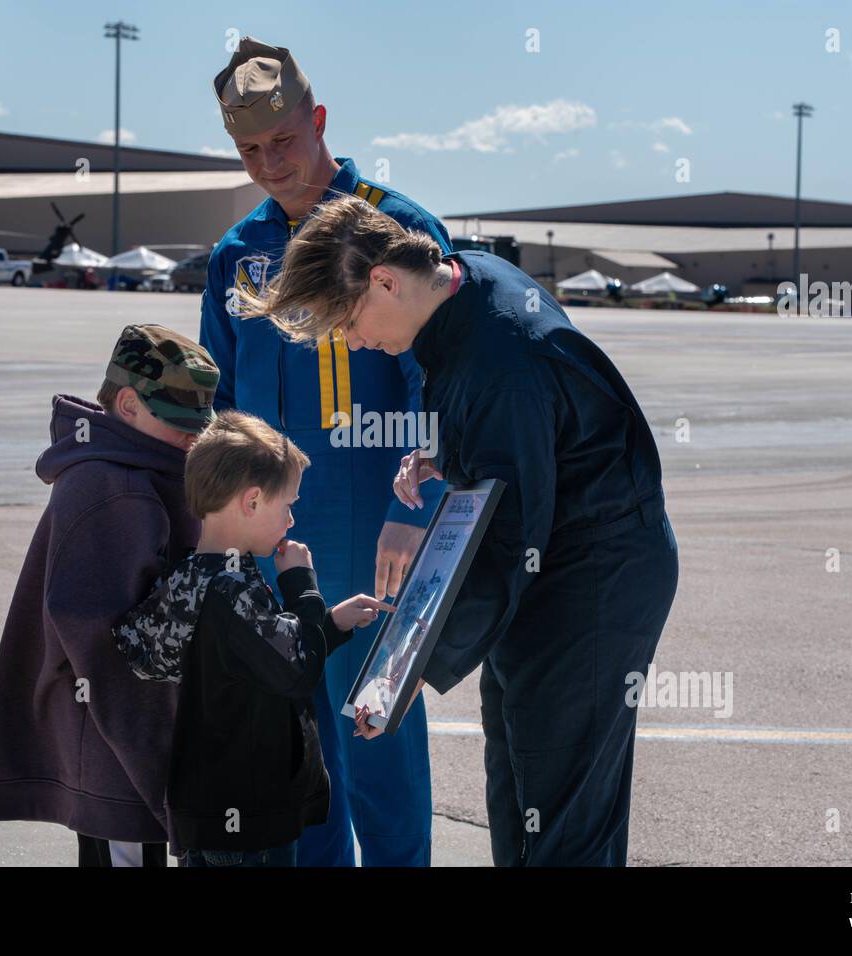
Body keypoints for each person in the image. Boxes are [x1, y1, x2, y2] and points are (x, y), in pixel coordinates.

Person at [235, 195, 680, 866]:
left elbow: (512, 540)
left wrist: (412, 665)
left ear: (384, 279)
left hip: (592, 577)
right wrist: (452, 454)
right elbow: (532, 441)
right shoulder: (463, 281)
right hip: (558, 559)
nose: (355, 342)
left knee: (560, 807)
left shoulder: (501, 356)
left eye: (350, 321)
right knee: (522, 775)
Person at [199, 35, 450, 866]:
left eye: (285, 141)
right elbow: (223, 409)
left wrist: (412, 514)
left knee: (378, 745)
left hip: (379, 539)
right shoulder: (236, 255)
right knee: (297, 756)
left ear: (320, 119)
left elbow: (439, 386)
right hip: (274, 551)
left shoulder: (396, 229)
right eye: (250, 150)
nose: (270, 163)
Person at [0, 325, 220, 867]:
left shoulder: (145, 469)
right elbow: (106, 652)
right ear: (128, 403)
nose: (191, 439)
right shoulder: (117, 488)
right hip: (122, 755)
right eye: (178, 423)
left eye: (198, 426)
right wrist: (162, 776)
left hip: (126, 749)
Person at [112, 410, 394, 866]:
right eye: (288, 505)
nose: (290, 519)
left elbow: (259, 651)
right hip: (247, 819)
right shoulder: (233, 590)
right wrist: (302, 586)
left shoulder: (193, 577)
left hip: (209, 811)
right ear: (253, 501)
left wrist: (331, 625)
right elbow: (294, 670)